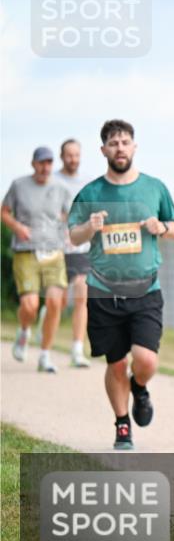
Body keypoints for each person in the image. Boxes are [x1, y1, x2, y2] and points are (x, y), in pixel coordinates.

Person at [68, 120, 174, 450]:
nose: (120, 148)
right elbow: (72, 235)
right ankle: (122, 425)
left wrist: (160, 226)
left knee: (145, 360)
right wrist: (89, 227)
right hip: (104, 290)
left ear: (134, 147)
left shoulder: (154, 188)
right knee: (115, 362)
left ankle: (140, 387)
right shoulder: (90, 193)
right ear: (103, 150)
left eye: (125, 142)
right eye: (113, 143)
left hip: (145, 290)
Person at [2, 146, 72, 373]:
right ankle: (24, 330)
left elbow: (69, 214)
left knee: (54, 302)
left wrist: (68, 232)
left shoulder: (61, 188)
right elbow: (4, 211)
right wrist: (17, 226)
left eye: (49, 163)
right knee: (30, 305)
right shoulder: (19, 185)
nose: (45, 167)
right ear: (33, 164)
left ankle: (44, 356)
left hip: (54, 252)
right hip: (26, 251)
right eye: (41, 163)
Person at [56, 138, 92, 367]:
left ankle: (77, 349)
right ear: (62, 157)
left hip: (80, 247)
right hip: (57, 246)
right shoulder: (52, 181)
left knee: (81, 291)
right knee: (57, 301)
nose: (73, 159)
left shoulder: (87, 183)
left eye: (76, 155)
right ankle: (45, 320)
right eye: (69, 155)